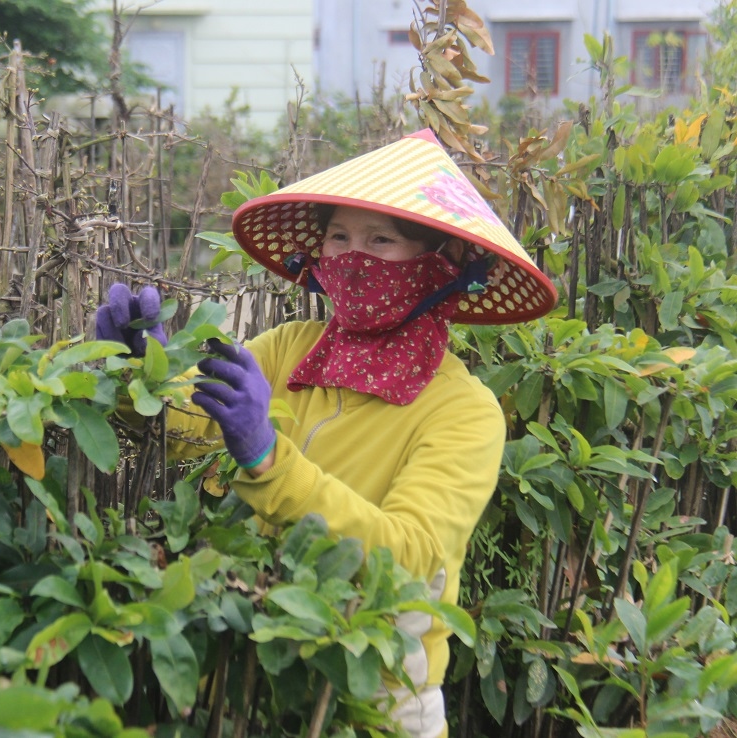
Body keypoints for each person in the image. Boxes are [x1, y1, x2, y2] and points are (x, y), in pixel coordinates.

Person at [95, 129, 557, 738]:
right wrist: (139, 372)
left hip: (372, 692)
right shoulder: (291, 347)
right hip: (251, 666)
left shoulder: (463, 411)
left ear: (439, 266)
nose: (350, 257)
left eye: (380, 240)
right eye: (338, 236)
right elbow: (195, 420)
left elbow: (409, 557)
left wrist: (268, 458)